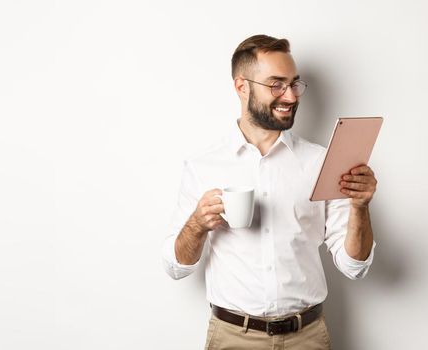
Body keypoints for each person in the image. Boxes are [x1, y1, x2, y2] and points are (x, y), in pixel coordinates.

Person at [161, 34, 378, 350]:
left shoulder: (321, 162)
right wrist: (197, 224)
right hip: (233, 338)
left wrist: (360, 206)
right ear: (242, 87)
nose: (290, 96)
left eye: (294, 84)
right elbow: (175, 267)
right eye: (276, 85)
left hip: (308, 338)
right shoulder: (203, 166)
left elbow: (354, 266)